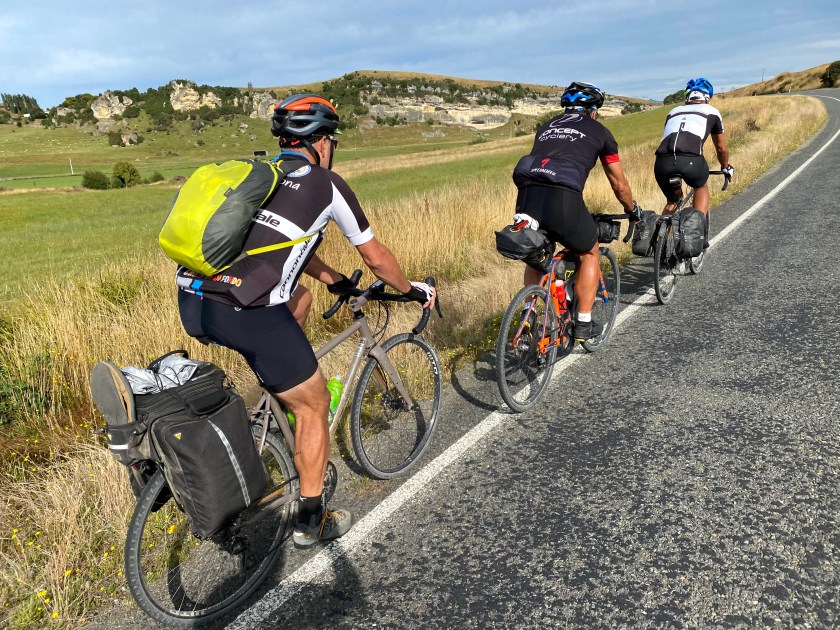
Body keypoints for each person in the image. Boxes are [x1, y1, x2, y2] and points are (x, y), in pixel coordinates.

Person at [176, 93, 436, 548]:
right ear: (321, 142)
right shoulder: (325, 183)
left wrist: (335, 279)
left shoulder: (261, 176)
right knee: (314, 405)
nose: (332, 148)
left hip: (195, 300)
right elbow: (376, 258)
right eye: (332, 140)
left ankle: (276, 397)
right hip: (246, 311)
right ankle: (310, 522)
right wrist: (412, 290)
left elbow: (285, 242)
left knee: (301, 297)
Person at [512, 81, 641, 341]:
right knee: (589, 251)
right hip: (563, 197)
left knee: (536, 252)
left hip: (527, 195)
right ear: (593, 110)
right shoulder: (600, 131)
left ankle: (529, 313)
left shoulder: (547, 127)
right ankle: (583, 323)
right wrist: (632, 209)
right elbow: (619, 184)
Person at [654, 78, 733, 231]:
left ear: (687, 98)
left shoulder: (672, 112)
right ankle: (697, 231)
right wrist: (725, 166)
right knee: (701, 186)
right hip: (691, 160)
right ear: (707, 97)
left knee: (672, 201)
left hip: (662, 162)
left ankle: (661, 239)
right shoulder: (712, 111)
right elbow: (721, 148)